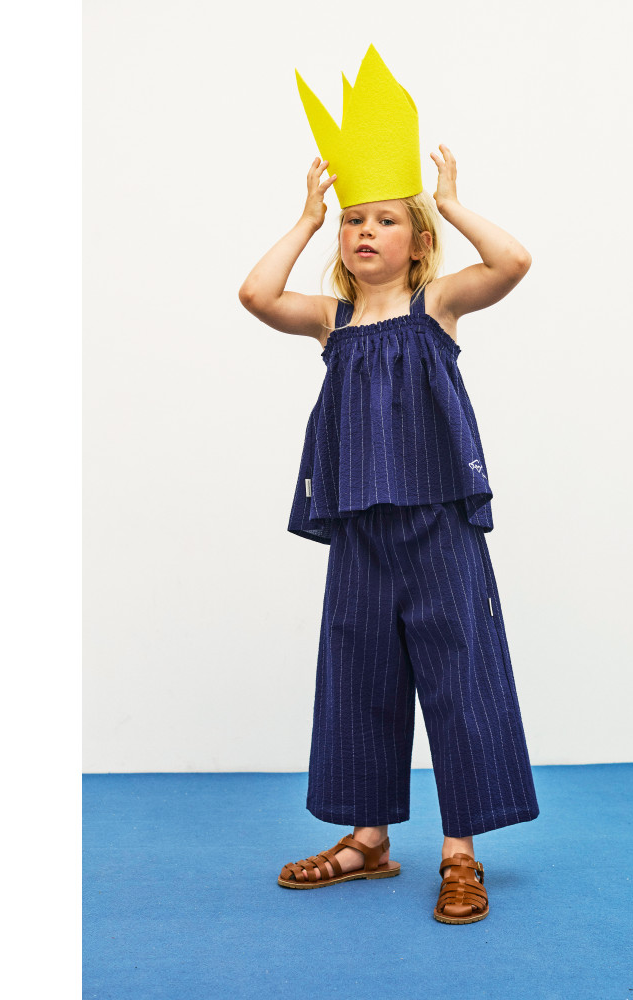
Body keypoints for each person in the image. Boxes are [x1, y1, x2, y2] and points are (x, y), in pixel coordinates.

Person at [238, 45, 540, 924]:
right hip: (360, 532)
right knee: (359, 676)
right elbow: (255, 294)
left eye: (384, 221)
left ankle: (460, 854)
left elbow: (514, 262)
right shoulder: (330, 321)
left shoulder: (435, 306)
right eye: (352, 221)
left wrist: (450, 202)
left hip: (437, 526)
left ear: (418, 243)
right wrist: (305, 218)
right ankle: (367, 840)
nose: (364, 232)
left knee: (459, 679)